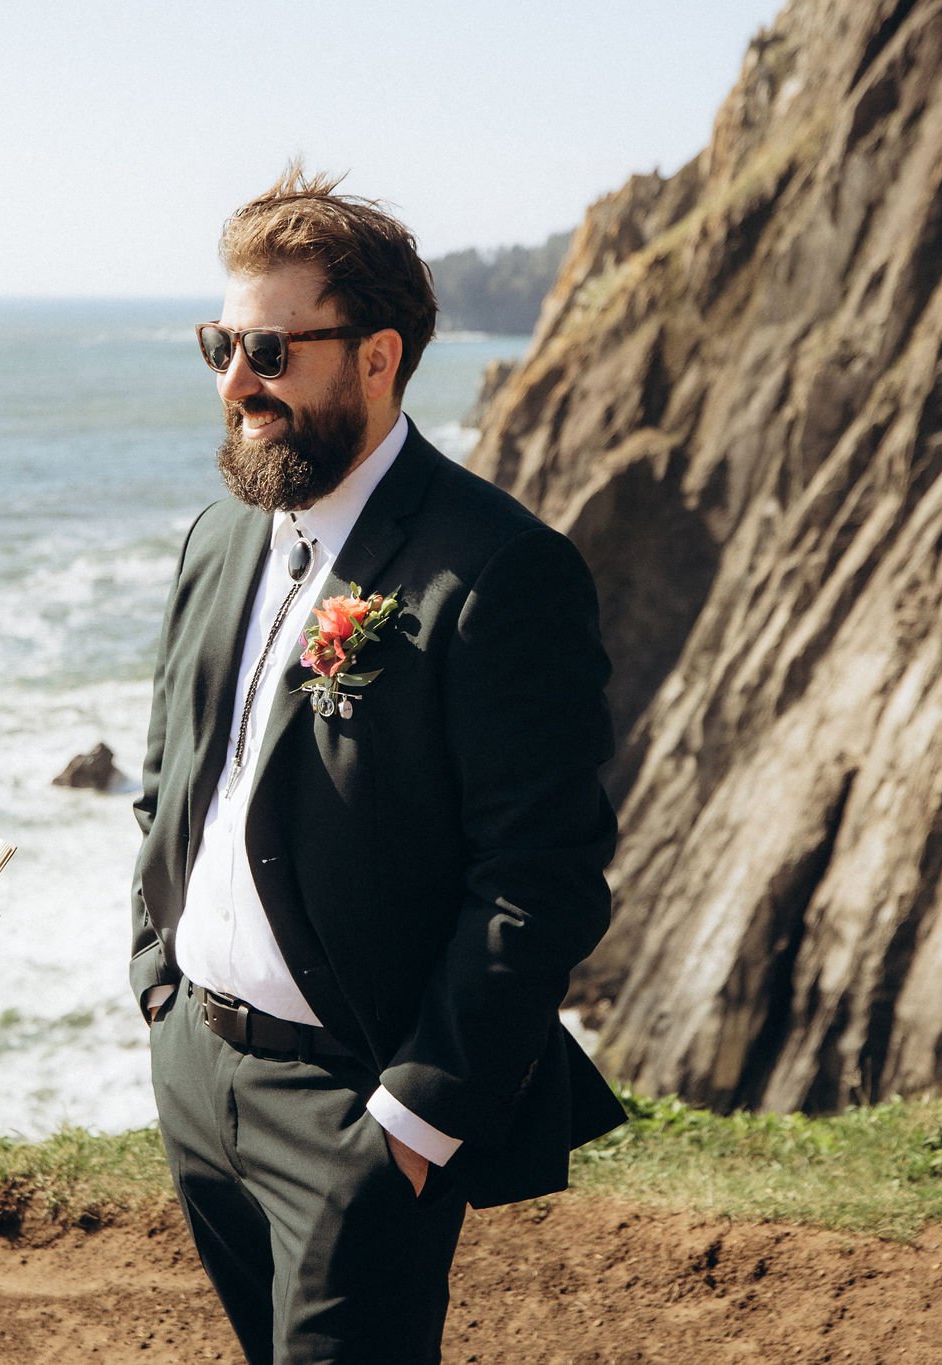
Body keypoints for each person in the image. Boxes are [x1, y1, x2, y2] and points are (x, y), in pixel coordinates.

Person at [131, 166, 629, 1362]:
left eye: (266, 348)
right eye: (218, 345)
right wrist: (158, 985)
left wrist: (409, 1123)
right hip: (196, 1069)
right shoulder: (218, 536)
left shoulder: (499, 569)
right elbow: (176, 769)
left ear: (375, 356)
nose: (234, 384)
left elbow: (541, 876)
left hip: (352, 1104)